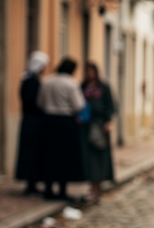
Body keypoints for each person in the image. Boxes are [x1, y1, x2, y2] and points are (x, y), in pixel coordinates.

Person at [37, 57, 85, 201]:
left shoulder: (47, 81)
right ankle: (62, 190)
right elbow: (79, 105)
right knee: (64, 157)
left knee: (49, 155)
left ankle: (48, 189)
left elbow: (40, 102)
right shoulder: (71, 84)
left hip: (48, 121)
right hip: (66, 122)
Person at [80, 62, 115, 205]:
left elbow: (111, 106)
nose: (90, 74)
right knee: (88, 160)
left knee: (100, 158)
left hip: (100, 126)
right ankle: (91, 189)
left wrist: (108, 122)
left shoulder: (104, 88)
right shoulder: (83, 87)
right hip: (86, 127)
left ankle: (97, 189)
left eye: (92, 71)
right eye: (87, 71)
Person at [15, 50, 49, 195]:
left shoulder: (27, 80)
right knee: (32, 152)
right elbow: (34, 102)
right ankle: (31, 183)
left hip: (29, 120)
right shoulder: (32, 82)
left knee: (32, 152)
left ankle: (32, 182)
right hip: (33, 121)